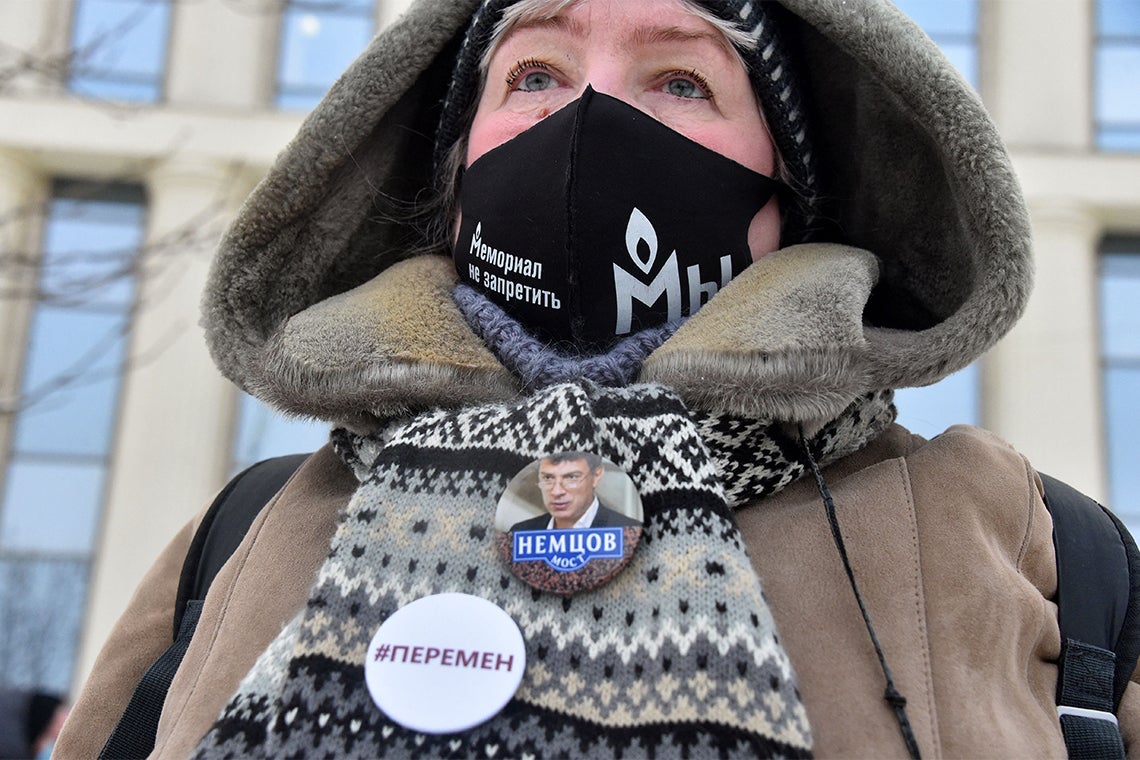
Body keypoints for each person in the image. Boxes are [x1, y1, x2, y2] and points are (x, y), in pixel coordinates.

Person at [56, 0, 1139, 757]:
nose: (588, 120)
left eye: (680, 79)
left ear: (791, 196)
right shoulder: (241, 536)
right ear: (455, 178)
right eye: (535, 74)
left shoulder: (1031, 546)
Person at [511, 451, 638, 530]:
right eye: (548, 478)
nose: (556, 491)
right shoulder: (520, 533)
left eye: (571, 477)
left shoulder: (629, 531)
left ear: (596, 476)